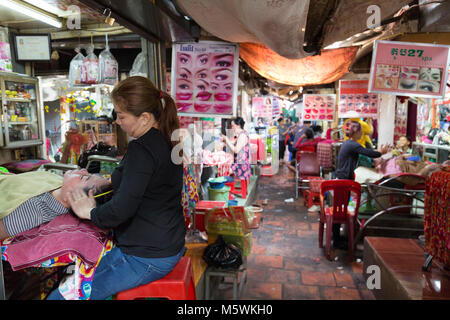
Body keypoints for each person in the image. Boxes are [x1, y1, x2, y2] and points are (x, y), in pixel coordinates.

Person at [47, 76, 186, 300]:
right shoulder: (166, 139)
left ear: (145, 118)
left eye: (121, 116)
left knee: (61, 297)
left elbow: (122, 209)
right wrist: (111, 182)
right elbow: (153, 187)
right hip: (168, 245)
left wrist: (90, 212)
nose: (117, 122)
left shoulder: (141, 149)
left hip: (146, 256)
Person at [0, 169, 110, 241]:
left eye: (84, 177)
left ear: (76, 199)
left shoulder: (36, 211)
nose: (84, 170)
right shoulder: (59, 182)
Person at [333, 120, 390, 248]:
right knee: (340, 210)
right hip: (343, 181)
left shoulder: (349, 144)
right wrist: (381, 152)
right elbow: (370, 153)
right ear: (356, 132)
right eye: (361, 132)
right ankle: (336, 241)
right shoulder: (352, 144)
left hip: (344, 179)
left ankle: (336, 238)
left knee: (340, 209)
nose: (362, 134)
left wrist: (380, 152)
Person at [221, 117, 251, 183]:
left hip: (241, 166)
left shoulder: (242, 135)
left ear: (238, 125)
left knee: (223, 171)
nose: (232, 128)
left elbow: (236, 150)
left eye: (233, 126)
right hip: (242, 164)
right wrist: (225, 143)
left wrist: (226, 139)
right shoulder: (242, 134)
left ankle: (227, 189)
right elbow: (234, 144)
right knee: (225, 167)